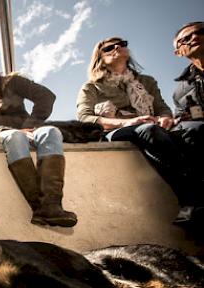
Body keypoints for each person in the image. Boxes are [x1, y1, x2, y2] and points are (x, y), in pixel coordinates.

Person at [77, 37, 201, 226]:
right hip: (116, 131)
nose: (117, 47)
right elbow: (86, 118)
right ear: (99, 58)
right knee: (148, 130)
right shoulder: (91, 87)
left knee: (196, 129)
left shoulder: (147, 81)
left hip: (154, 125)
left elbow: (162, 108)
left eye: (121, 44)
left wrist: (165, 117)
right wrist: (128, 122)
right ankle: (190, 200)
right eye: (109, 47)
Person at [0, 49, 77, 227]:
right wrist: (7, 129)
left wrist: (30, 124)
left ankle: (52, 206)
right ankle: (39, 208)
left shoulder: (13, 82)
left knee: (51, 132)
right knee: (15, 137)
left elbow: (46, 97)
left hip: (27, 128)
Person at [173, 22, 204, 226]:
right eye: (186, 38)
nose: (194, 37)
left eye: (200, 32)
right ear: (179, 51)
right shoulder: (180, 90)